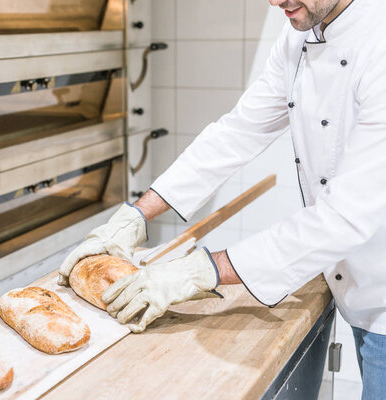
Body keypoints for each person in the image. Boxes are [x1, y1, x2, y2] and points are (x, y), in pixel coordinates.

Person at [58, 0, 386, 398]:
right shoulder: (296, 36)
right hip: (356, 278)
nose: (276, 0)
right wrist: (135, 217)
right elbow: (236, 132)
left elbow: (345, 216)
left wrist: (201, 271)